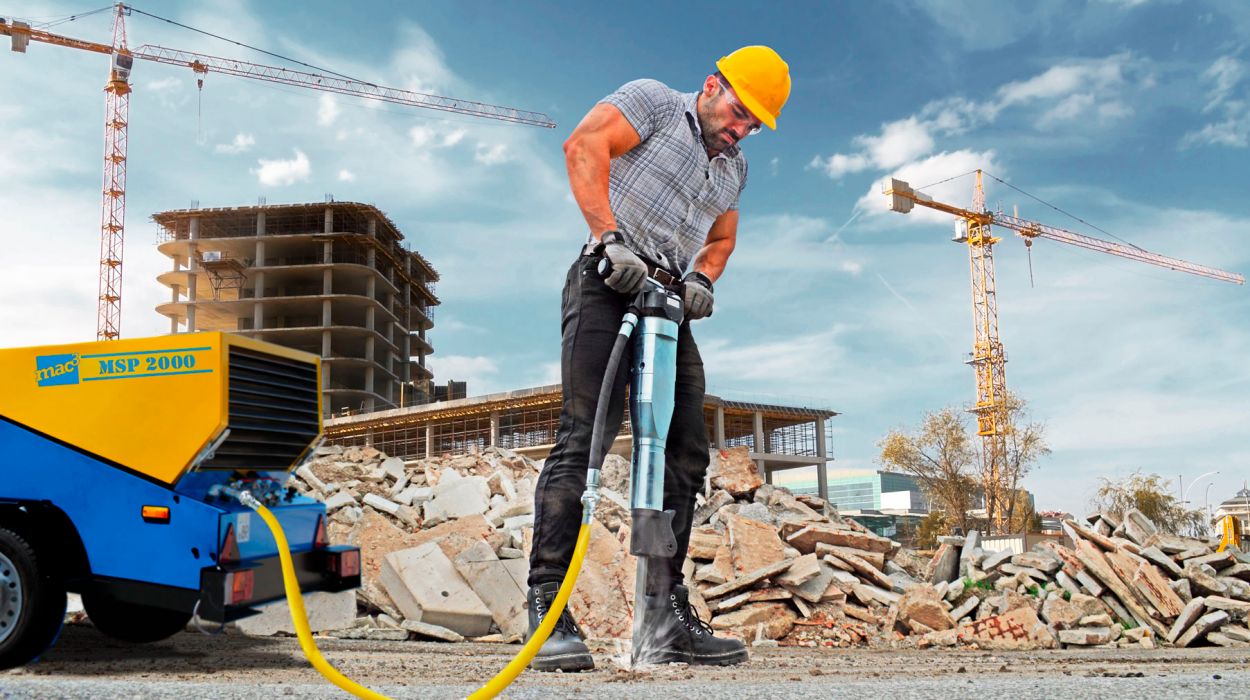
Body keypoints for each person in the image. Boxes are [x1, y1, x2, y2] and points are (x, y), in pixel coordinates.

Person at [526, 45, 791, 672]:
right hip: (607, 280)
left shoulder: (734, 168)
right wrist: (608, 237)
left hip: (667, 303)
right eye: (740, 112)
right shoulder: (654, 103)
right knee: (586, 436)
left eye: (754, 124)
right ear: (712, 85)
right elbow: (584, 145)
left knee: (686, 451)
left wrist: (703, 277)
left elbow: (722, 237)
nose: (742, 129)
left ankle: (663, 615)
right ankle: (547, 608)